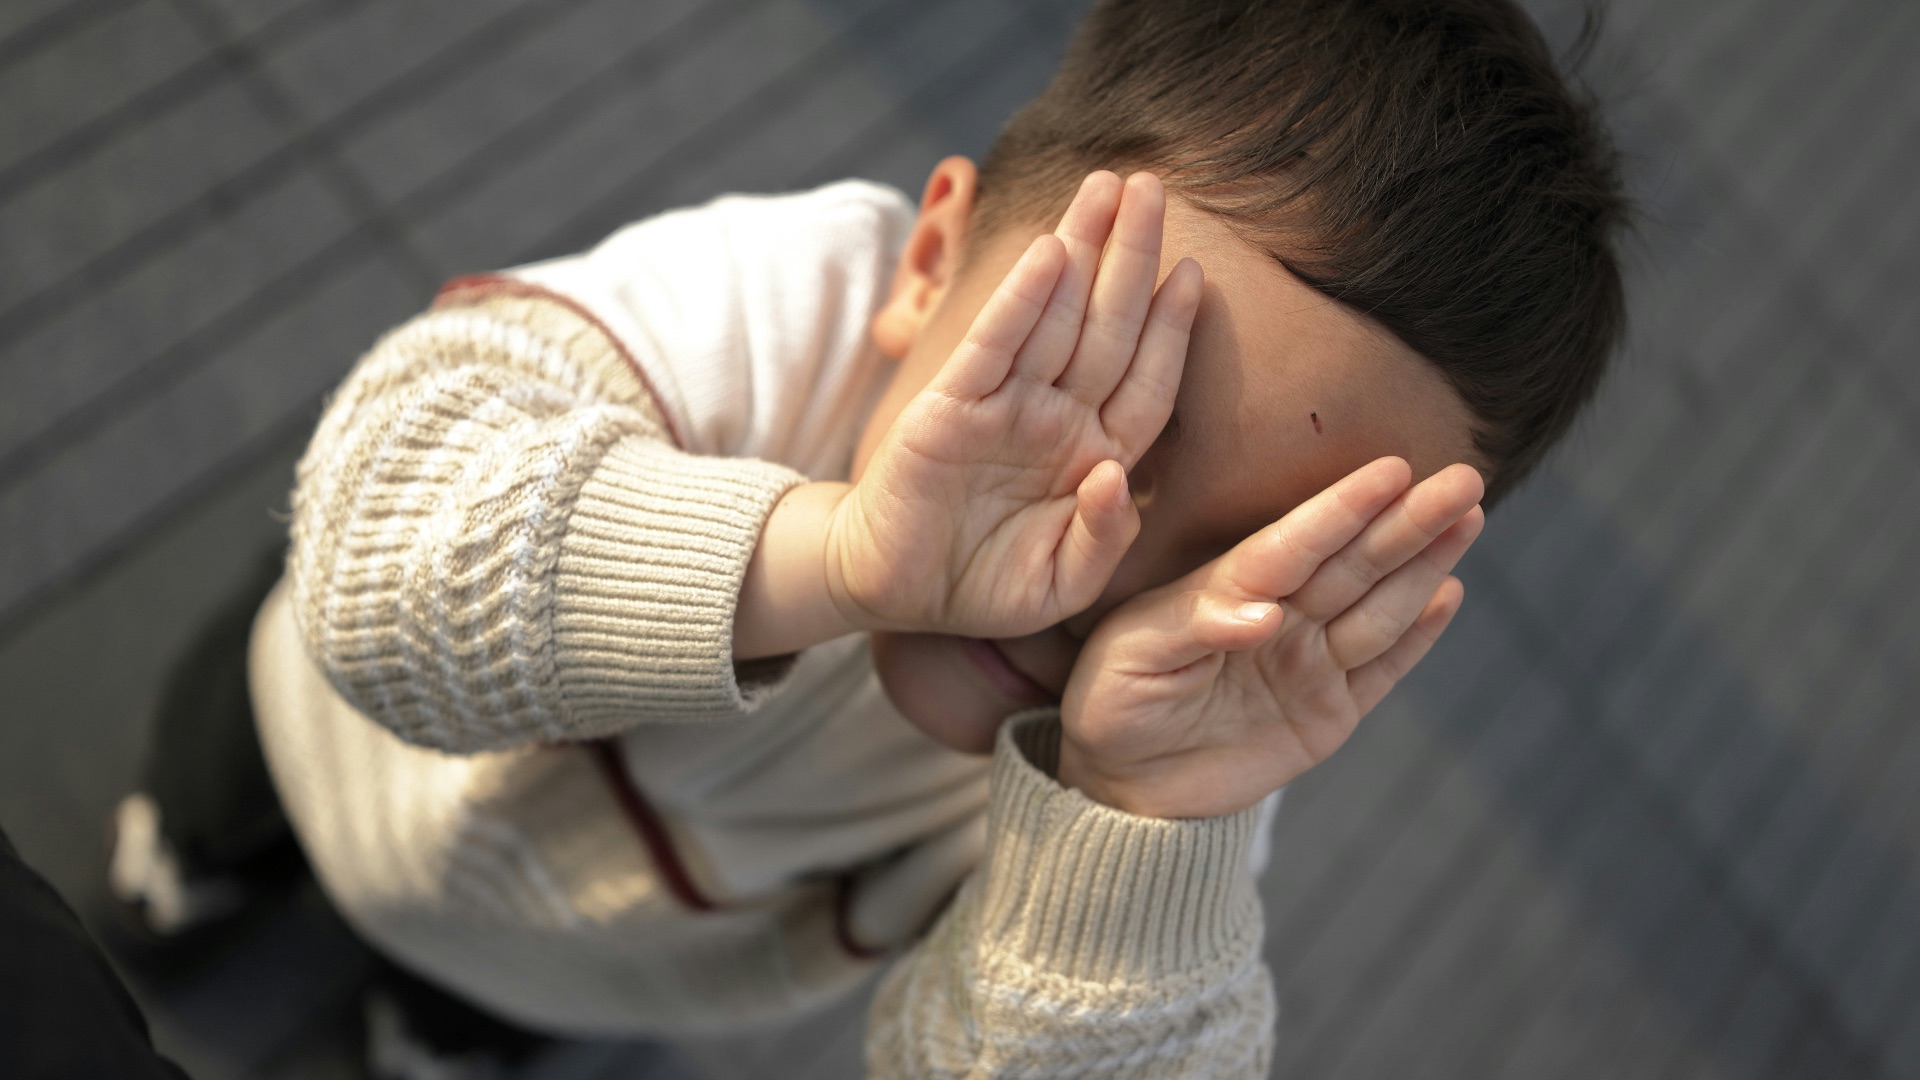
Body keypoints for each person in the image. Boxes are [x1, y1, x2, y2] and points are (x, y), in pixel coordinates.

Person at [108, 0, 1625, 1074]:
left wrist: (1133, 816)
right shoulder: (788, 317)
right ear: (928, 257)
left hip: (607, 959)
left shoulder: (1188, 738)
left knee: (497, 1010)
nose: (1087, 566)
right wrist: (836, 554)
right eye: (1093, 404)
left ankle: (456, 1025)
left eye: (1256, 563)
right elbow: (388, 541)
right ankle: (193, 847)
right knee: (224, 771)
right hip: (333, 738)